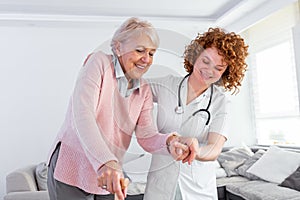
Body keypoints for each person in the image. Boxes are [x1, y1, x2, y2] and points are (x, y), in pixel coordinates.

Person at [46, 17, 198, 200]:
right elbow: (83, 115)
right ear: (118, 48)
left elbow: (147, 136)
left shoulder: (143, 91)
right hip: (73, 164)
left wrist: (171, 142)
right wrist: (108, 162)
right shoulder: (98, 63)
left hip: (108, 173)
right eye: (140, 50)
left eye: (151, 53)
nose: (146, 59)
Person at [144, 27, 249, 200]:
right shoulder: (166, 85)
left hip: (197, 189)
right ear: (195, 57)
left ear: (226, 72)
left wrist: (196, 149)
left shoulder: (220, 102)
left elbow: (214, 149)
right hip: (160, 185)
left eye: (219, 67)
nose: (209, 70)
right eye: (206, 61)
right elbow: (128, 87)